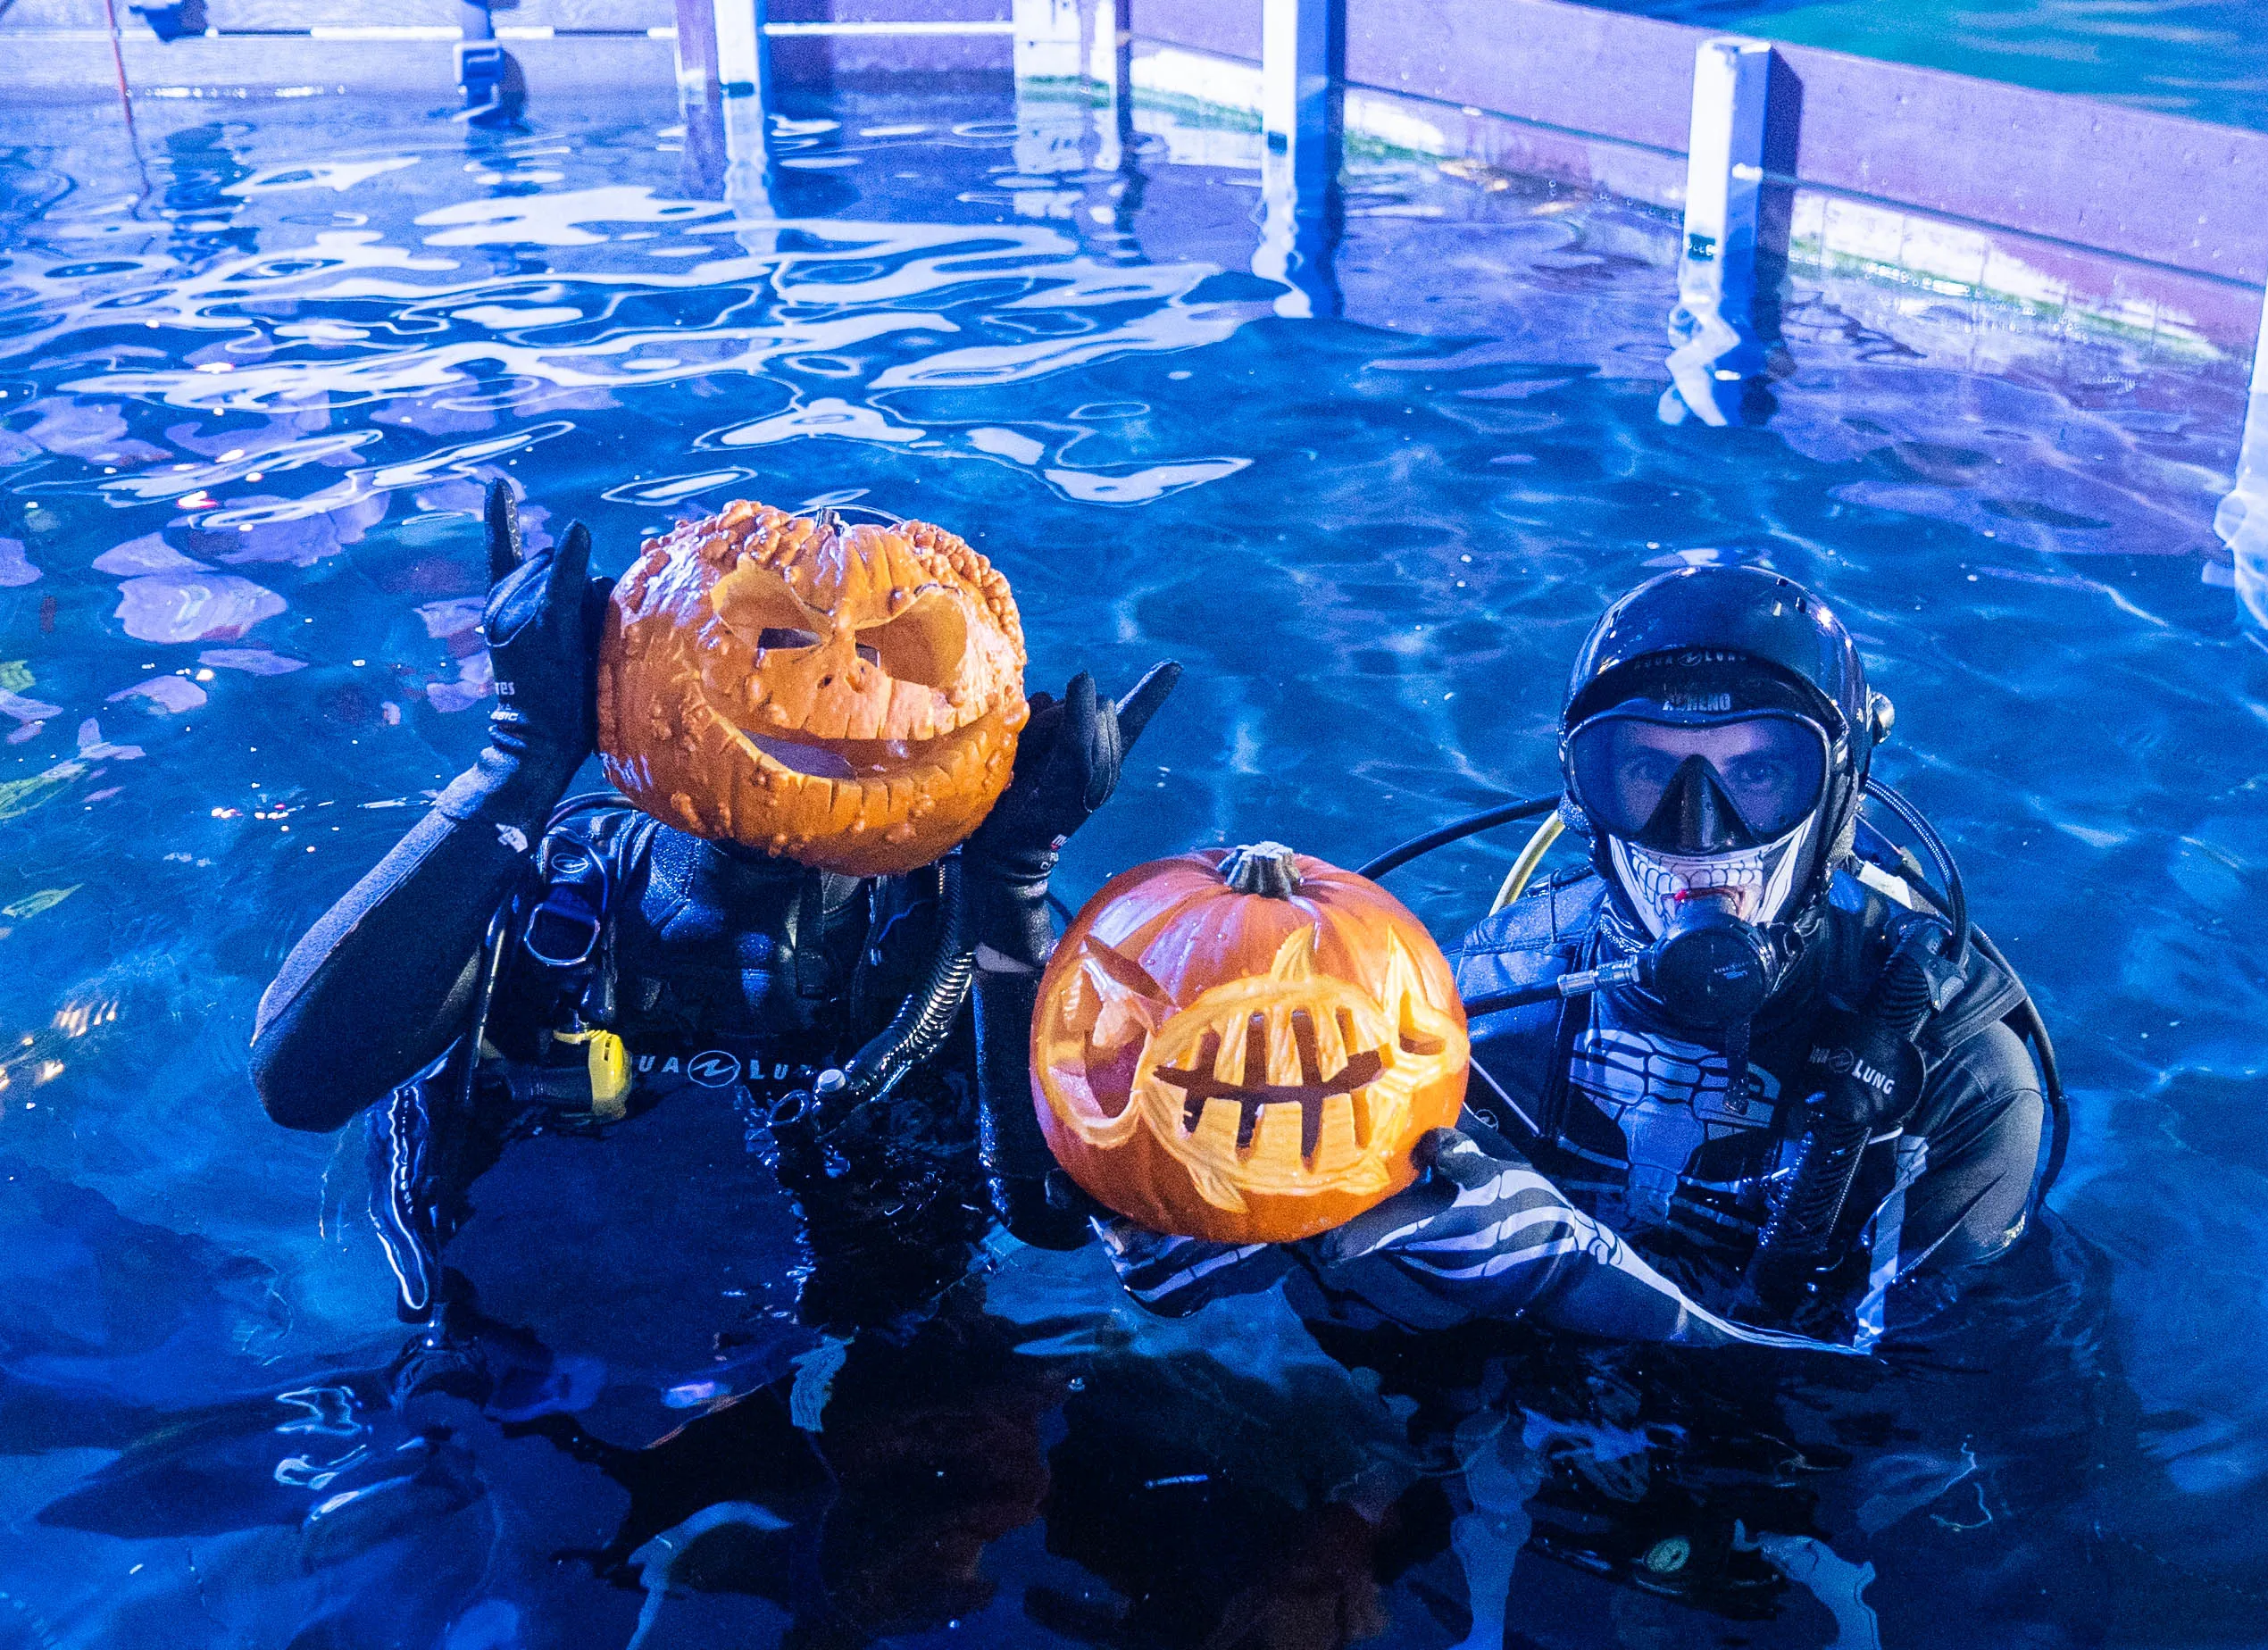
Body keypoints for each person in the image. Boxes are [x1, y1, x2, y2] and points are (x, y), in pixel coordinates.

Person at [252, 483, 1170, 1440]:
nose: (832, 692)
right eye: (773, 639)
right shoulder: (548, 889)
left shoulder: (960, 935)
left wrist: (1013, 879)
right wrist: (518, 758)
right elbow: (300, 1083)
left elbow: (1055, 1215)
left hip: (860, 1354)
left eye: (889, 654)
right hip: (527, 1346)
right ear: (644, 667)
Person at [1104, 564, 2054, 1352]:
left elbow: (1911, 1409)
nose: (1697, 833)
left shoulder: (1959, 1082)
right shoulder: (1478, 999)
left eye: (1758, 774)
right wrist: (1256, 1211)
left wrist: (1568, 1274)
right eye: (1644, 771)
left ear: (1838, 797)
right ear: (1579, 790)